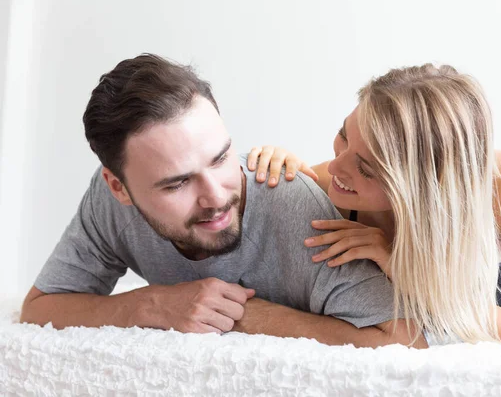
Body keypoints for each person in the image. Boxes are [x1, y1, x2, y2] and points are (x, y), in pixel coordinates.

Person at [19, 53, 428, 348]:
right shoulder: (107, 204)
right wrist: (151, 304)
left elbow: (404, 340)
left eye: (220, 158)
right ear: (118, 186)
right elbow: (39, 308)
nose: (216, 198)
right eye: (176, 184)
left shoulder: (300, 215)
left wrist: (245, 315)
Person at [248, 64, 501, 344]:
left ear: (425, 189)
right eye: (343, 135)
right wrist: (277, 165)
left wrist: (411, 278)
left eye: (366, 169)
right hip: (449, 289)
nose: (336, 166)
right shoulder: (331, 182)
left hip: (493, 287)